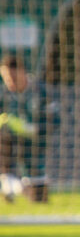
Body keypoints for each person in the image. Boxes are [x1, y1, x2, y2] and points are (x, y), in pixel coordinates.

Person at [0, 55, 57, 203]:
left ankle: (15, 187)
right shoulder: (3, 94)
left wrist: (35, 129)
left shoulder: (41, 91)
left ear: (22, 71)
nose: (9, 81)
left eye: (12, 76)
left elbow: (55, 120)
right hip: (8, 145)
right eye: (5, 77)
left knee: (39, 200)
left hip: (34, 147)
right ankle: (10, 184)